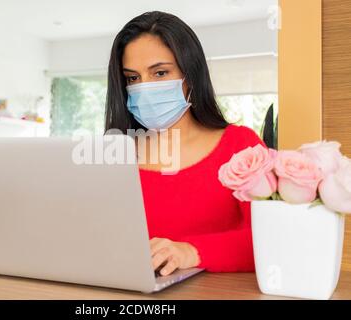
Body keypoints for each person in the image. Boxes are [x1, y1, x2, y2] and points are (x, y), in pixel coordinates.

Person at [105, 11, 267, 275]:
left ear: (190, 75)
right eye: (133, 78)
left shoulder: (241, 146)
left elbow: (269, 239)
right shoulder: (113, 153)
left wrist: (189, 252)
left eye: (159, 73)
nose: (144, 88)